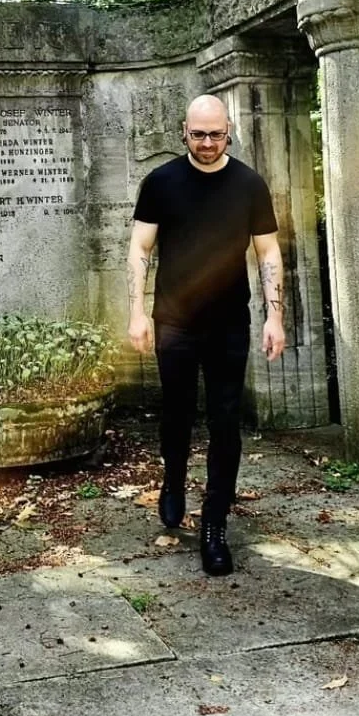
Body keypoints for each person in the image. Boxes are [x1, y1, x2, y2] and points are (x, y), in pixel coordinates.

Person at [127, 94, 286, 576]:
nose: (208, 142)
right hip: (173, 320)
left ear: (229, 130)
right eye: (198, 134)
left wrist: (274, 317)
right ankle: (173, 480)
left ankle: (215, 524)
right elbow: (139, 248)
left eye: (216, 134)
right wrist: (137, 312)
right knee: (176, 415)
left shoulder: (249, 185)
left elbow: (268, 254)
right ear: (184, 131)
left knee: (224, 423)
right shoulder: (161, 182)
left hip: (228, 325)